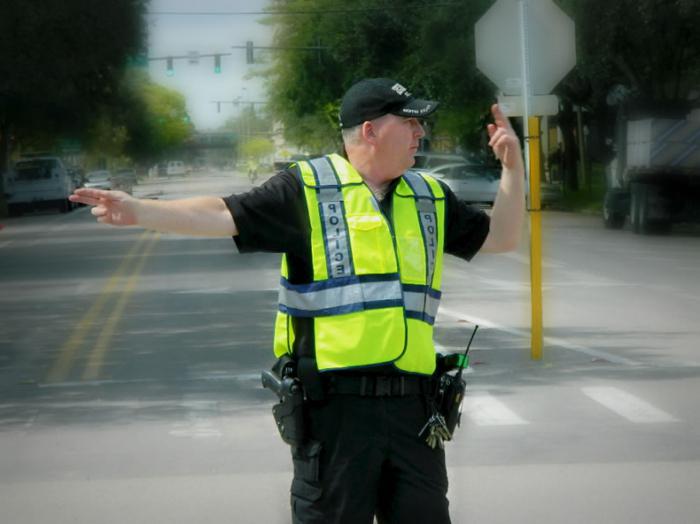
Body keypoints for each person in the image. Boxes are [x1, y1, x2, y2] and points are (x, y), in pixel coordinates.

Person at [70, 77, 525, 523]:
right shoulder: (307, 189)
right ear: (370, 130)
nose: (419, 133)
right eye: (408, 122)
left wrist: (513, 166)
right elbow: (221, 213)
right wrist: (139, 211)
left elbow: (502, 237)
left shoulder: (428, 196)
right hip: (336, 416)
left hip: (416, 413)